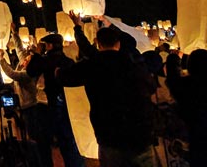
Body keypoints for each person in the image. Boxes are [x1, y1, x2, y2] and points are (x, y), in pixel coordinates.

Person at [59, 26, 156, 167]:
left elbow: (65, 77)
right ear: (118, 43)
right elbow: (150, 87)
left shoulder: (92, 65)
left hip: (109, 135)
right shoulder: (133, 64)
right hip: (140, 134)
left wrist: (57, 71)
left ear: (98, 43)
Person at [27, 33, 83, 167]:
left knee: (44, 144)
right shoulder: (68, 61)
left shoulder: (44, 60)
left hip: (46, 106)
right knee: (68, 143)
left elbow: (30, 71)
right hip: (65, 105)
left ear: (49, 46)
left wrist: (36, 54)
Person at [0, 42, 51, 167]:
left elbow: (12, 74)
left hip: (31, 106)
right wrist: (15, 33)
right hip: (26, 106)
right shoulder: (24, 66)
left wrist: (1, 59)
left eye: (28, 59)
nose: (25, 59)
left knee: (35, 136)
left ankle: (40, 160)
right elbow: (20, 51)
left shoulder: (28, 74)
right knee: (31, 134)